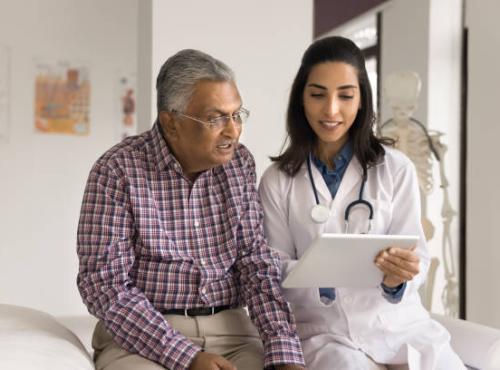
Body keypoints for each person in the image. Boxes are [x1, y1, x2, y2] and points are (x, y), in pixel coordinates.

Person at [77, 49, 305, 370]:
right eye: (216, 118)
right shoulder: (117, 170)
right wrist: (186, 357)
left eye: (237, 115)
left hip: (233, 334)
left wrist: (285, 354)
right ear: (171, 122)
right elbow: (104, 285)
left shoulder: (240, 164)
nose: (233, 130)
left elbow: (255, 263)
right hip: (144, 336)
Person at [258, 36, 465, 370]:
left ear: (362, 99)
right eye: (317, 95)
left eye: (345, 95)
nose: (331, 110)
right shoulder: (277, 180)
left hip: (399, 328)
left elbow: (418, 258)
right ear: (301, 99)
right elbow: (272, 271)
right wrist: (325, 269)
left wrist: (399, 277)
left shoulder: (395, 169)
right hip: (324, 335)